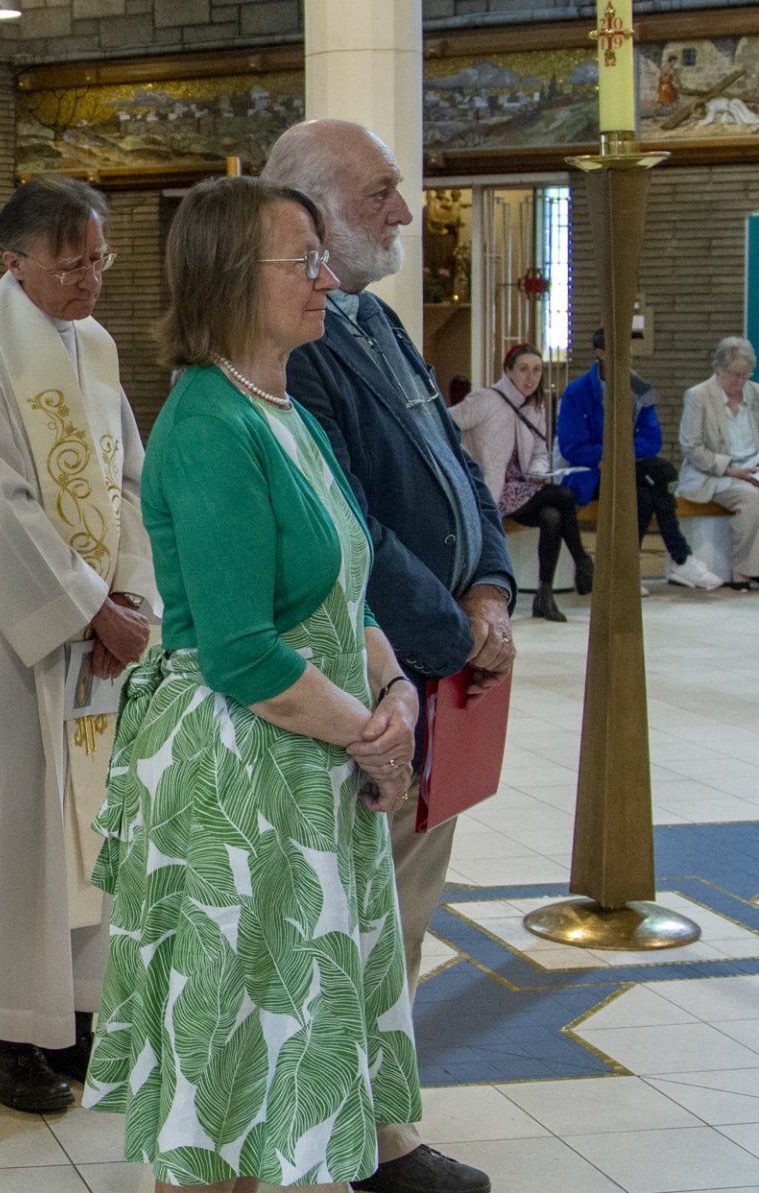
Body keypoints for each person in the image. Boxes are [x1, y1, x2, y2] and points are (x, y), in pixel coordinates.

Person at [84, 174, 420, 1193]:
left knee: (285, 1055)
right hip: (236, 783)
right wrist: (371, 732)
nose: (326, 278)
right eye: (302, 260)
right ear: (233, 277)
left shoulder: (286, 410)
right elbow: (240, 650)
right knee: (226, 1071)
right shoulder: (207, 423)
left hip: (304, 767)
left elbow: (344, 594)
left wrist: (396, 691)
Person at [264, 118, 499, 1193]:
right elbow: (351, 525)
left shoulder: (376, 322)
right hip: (375, 673)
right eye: (380, 194)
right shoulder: (299, 349)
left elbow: (453, 458)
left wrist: (492, 579)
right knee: (364, 910)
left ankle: (383, 1124)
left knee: (405, 911)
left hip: (439, 661)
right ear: (306, 213)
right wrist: (453, 633)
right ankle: (361, 1133)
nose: (404, 213)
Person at [0, 176, 155, 1116]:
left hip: (97, 639)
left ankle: (86, 1017)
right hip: (6, 644)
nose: (90, 279)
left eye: (99, 258)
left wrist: (128, 594)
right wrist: (89, 608)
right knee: (14, 838)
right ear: (15, 261)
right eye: (71, 262)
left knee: (93, 834)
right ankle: (10, 1037)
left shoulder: (93, 346)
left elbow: (125, 477)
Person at [558, 328, 724, 590]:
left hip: (628, 467)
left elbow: (653, 439)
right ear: (599, 353)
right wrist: (609, 455)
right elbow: (571, 446)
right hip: (593, 471)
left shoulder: (641, 389)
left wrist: (622, 455)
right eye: (618, 350)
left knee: (654, 481)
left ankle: (626, 572)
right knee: (652, 482)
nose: (627, 356)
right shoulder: (577, 392)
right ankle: (679, 558)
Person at [453, 342, 592, 621]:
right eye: (524, 369)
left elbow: (541, 452)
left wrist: (537, 472)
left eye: (537, 370)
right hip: (493, 492)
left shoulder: (535, 407)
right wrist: (467, 466)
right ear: (508, 371)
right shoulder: (486, 400)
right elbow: (445, 423)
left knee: (552, 516)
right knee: (563, 496)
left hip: (523, 487)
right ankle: (582, 560)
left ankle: (545, 595)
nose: (531, 377)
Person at [679, 336, 759, 589]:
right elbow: (692, 448)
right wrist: (732, 470)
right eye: (735, 375)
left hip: (753, 466)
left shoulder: (755, 393)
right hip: (715, 473)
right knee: (751, 499)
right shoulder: (698, 396)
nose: (741, 381)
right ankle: (743, 571)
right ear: (719, 370)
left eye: (746, 375)